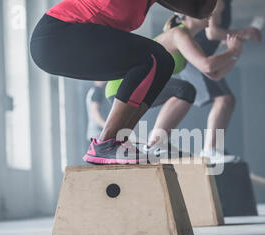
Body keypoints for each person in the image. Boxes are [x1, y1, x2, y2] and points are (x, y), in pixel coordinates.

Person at [30, 0, 217, 165]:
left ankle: (117, 142)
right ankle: (105, 144)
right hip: (58, 34)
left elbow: (201, 9)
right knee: (153, 57)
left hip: (69, 39)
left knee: (162, 62)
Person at [105, 13, 244, 159]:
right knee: (184, 90)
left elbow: (215, 74)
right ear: (186, 16)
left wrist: (235, 54)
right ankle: (155, 143)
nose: (209, 14)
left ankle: (157, 143)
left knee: (184, 91)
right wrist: (232, 51)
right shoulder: (177, 34)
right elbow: (208, 65)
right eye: (202, 10)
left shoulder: (190, 41)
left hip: (142, 85)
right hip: (124, 86)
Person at [177, 0, 262, 163]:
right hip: (196, 57)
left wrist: (233, 41)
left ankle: (213, 148)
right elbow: (212, 33)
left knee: (228, 100)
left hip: (201, 55)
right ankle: (210, 149)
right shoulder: (219, 2)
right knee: (224, 99)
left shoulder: (225, 4)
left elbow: (214, 37)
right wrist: (245, 33)